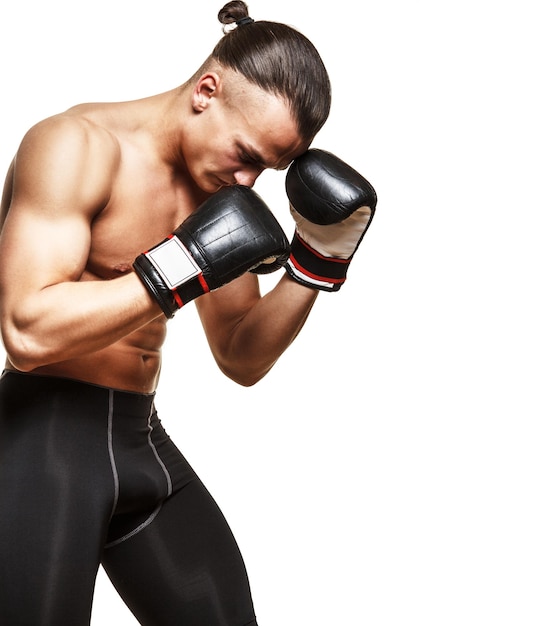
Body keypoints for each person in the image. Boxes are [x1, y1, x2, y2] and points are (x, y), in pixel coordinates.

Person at [0, 1, 376, 624]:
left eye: (267, 170)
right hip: (43, 444)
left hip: (140, 438)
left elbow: (240, 354)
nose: (248, 182)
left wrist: (314, 264)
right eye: (247, 154)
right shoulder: (76, 145)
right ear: (207, 90)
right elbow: (24, 331)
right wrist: (182, 263)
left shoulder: (214, 188)